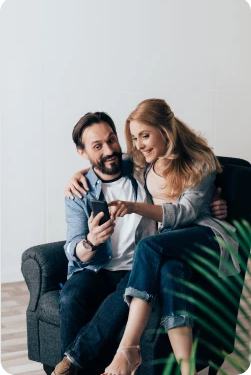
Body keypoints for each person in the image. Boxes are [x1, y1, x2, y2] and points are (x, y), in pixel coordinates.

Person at [53, 108, 228, 375]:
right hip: (96, 267)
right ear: (83, 152)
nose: (109, 150)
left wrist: (212, 204)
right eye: (97, 146)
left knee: (155, 261)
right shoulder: (80, 191)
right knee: (72, 296)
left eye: (112, 140)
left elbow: (184, 198)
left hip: (137, 265)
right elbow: (74, 250)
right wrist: (90, 241)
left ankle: (94, 357)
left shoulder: (140, 167)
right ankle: (76, 367)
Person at [99, 99, 240, 375]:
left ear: (165, 131)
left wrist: (136, 207)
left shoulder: (200, 161)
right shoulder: (143, 161)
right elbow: (108, 164)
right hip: (171, 243)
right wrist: (80, 174)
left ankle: (128, 350)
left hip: (205, 236)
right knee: (170, 271)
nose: (139, 144)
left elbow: (186, 212)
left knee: (149, 247)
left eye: (145, 135)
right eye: (135, 137)